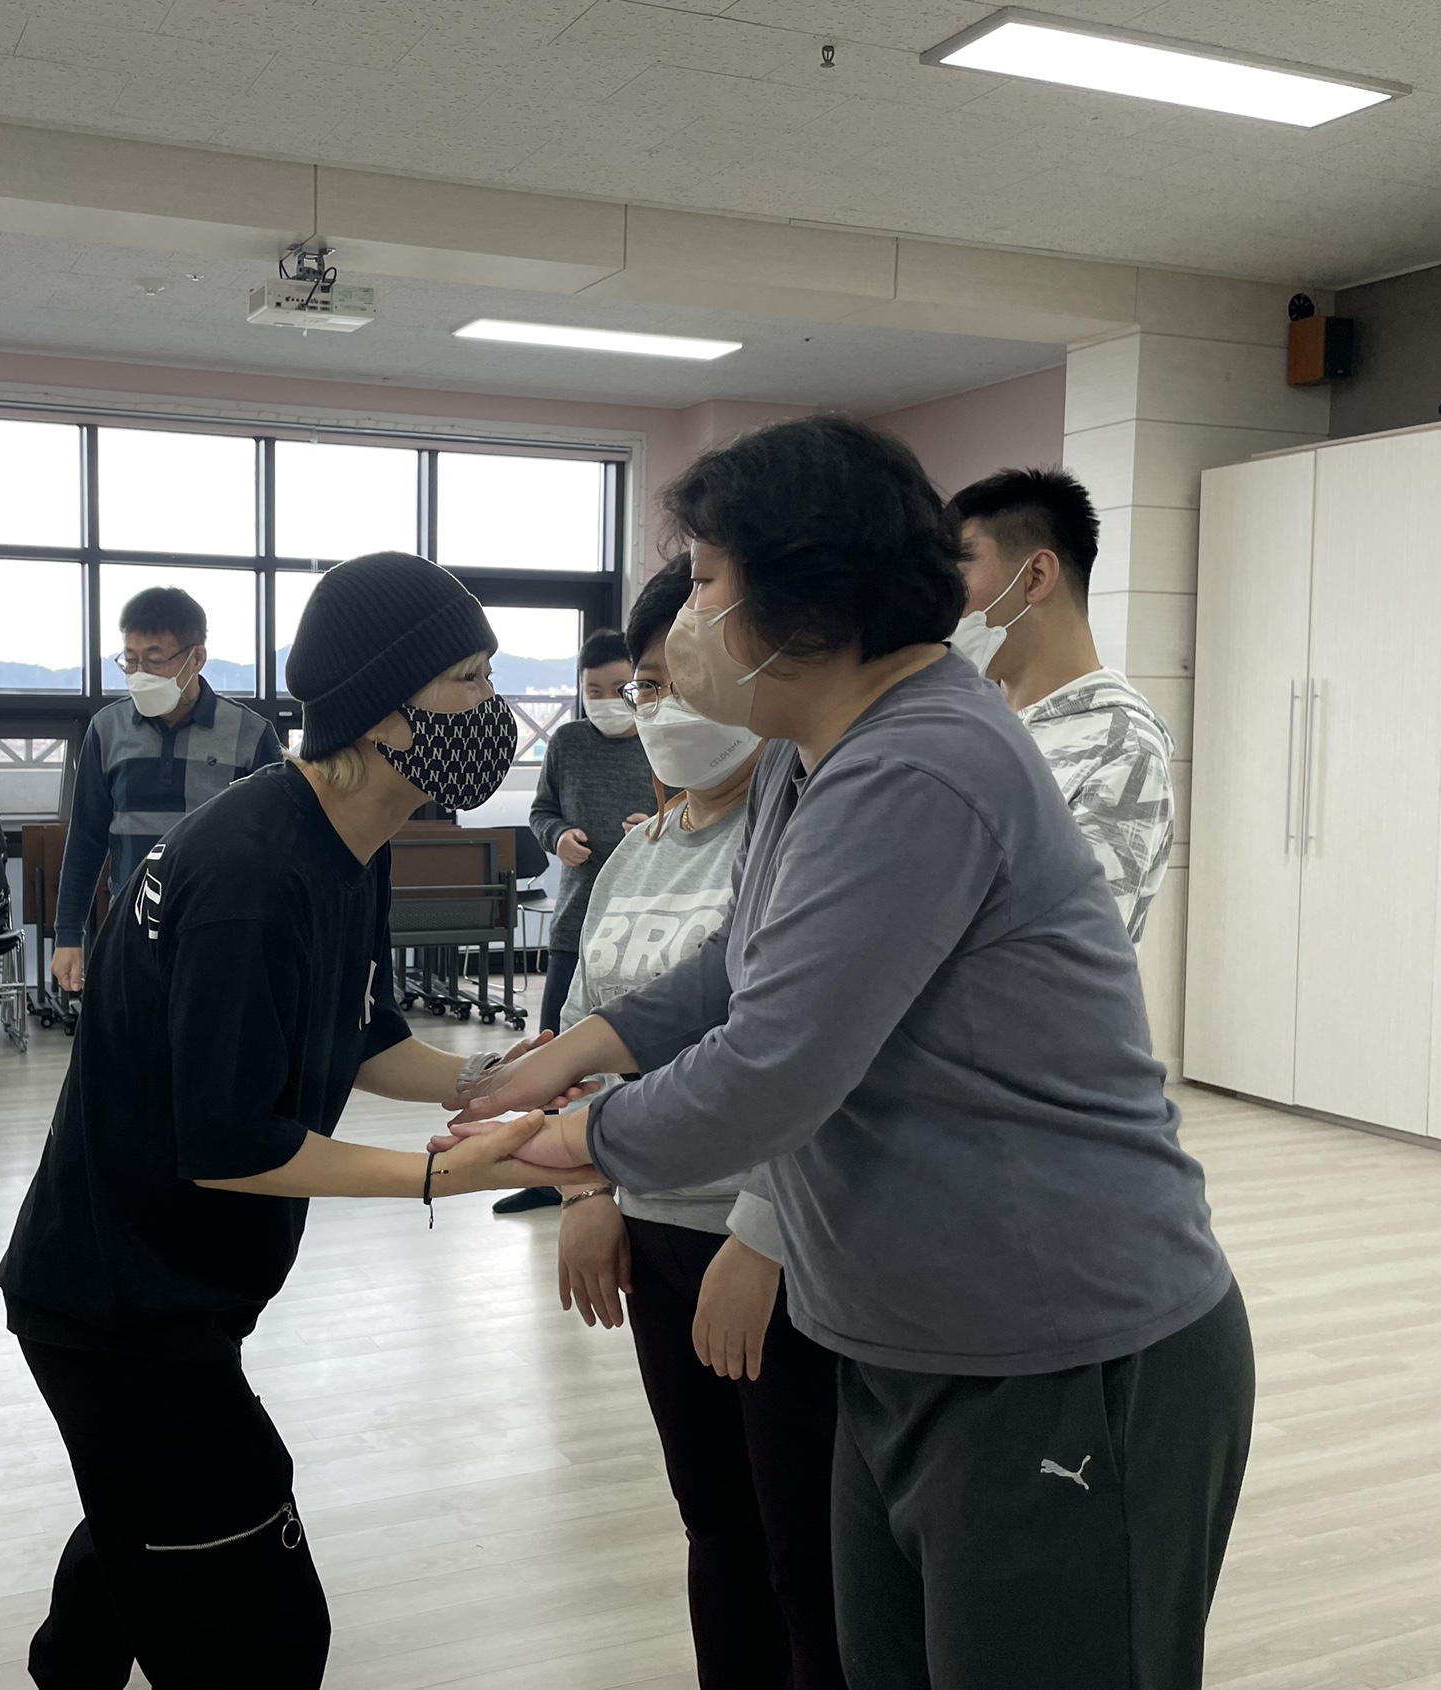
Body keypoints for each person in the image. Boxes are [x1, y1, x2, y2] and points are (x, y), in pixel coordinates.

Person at [450, 417, 1253, 1690]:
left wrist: (571, 1141)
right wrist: (576, 1050)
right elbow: (739, 963)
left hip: (1057, 1343)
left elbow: (769, 1069)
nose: (684, 623)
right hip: (898, 1334)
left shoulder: (921, 762)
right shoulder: (805, 757)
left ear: (802, 599)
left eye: (705, 582)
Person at [0, 551, 587, 1690]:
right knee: (258, 1626)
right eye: (469, 681)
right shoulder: (254, 872)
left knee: (136, 1525)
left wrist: (489, 1081)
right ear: (384, 709)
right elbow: (230, 1146)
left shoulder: (341, 841)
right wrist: (445, 1175)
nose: (495, 711)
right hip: (120, 1305)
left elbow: (354, 1032)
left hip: (171, 1289)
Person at [551, 559, 844, 1690]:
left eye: (682, 678)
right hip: (652, 1231)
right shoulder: (637, 850)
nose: (665, 707)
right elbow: (580, 1022)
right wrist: (587, 1192)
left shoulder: (803, 833)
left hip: (768, 1247)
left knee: (804, 1551)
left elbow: (816, 1055)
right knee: (714, 1525)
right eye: (647, 687)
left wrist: (761, 1231)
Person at [948, 467, 1175, 940]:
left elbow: (1071, 947)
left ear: (1036, 576)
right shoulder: (978, 716)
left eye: (958, 573)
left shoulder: (1122, 748)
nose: (943, 600)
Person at [49, 586, 281, 994]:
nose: (140, 673)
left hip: (220, 928)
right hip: (130, 924)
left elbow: (276, 846)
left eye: (155, 660)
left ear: (196, 659)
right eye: (130, 660)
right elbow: (86, 839)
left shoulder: (250, 733)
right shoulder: (107, 730)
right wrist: (68, 934)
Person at [502, 627, 655, 1214]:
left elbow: (698, 811)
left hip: (645, 925)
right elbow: (542, 811)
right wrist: (558, 836)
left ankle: (626, 1171)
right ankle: (548, 1175)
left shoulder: (665, 739)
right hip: (576, 921)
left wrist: (660, 824)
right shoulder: (567, 742)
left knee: (637, 1057)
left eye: (620, 688)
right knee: (554, 1052)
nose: (606, 701)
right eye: (594, 690)